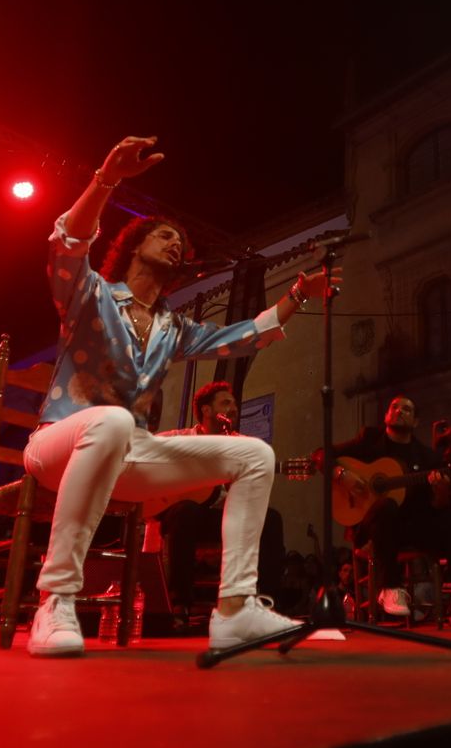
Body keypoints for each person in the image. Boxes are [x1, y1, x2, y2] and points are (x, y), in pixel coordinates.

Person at [22, 136, 339, 656]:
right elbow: (68, 243)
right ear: (134, 244)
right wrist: (107, 179)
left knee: (255, 454)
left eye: (181, 242)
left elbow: (242, 337)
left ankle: (236, 609)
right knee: (113, 423)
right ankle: (55, 600)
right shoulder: (92, 294)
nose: (176, 244)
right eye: (165, 235)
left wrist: (299, 295)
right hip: (58, 443)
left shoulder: (174, 326)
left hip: (130, 453)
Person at [334, 396, 451, 630]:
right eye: (394, 407)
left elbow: (435, 507)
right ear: (386, 416)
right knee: (387, 505)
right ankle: (390, 588)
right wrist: (343, 475)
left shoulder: (427, 458)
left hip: (411, 529)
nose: (399, 411)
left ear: (415, 422)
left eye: (407, 409)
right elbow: (321, 455)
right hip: (374, 527)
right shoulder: (369, 442)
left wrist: (441, 493)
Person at [155, 380, 287, 623]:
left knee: (271, 519)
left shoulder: (242, 444)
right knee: (185, 511)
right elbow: (149, 450)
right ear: (206, 410)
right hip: (187, 515)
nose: (234, 408)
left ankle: (265, 605)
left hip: (223, 515)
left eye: (234, 403)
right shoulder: (181, 438)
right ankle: (179, 602)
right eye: (226, 403)